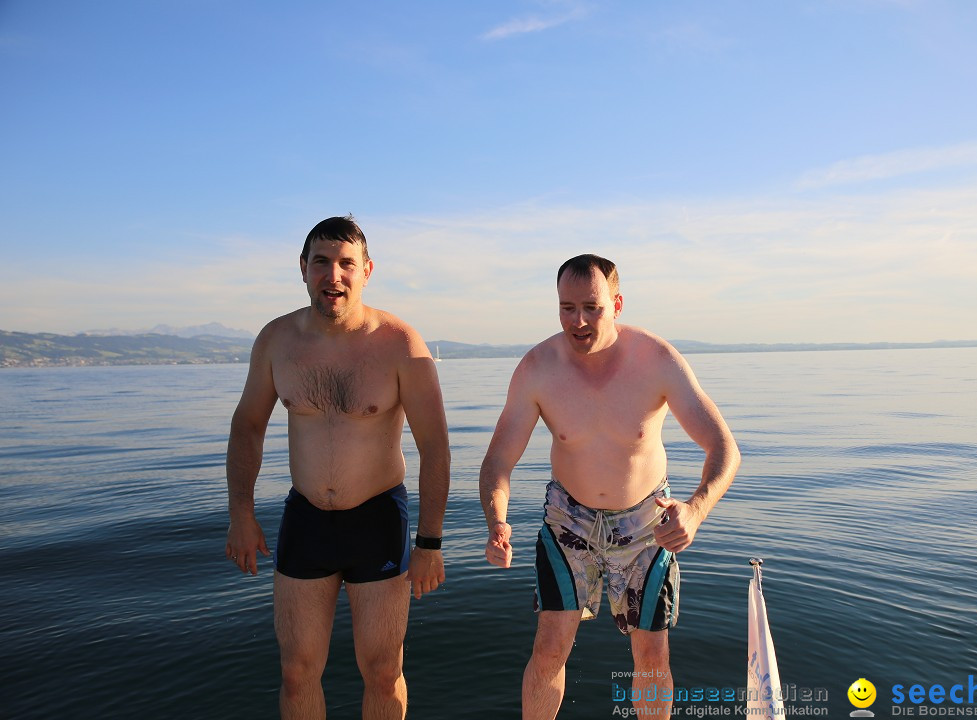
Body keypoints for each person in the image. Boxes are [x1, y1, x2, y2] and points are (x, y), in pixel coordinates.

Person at [479, 254, 740, 720]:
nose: (577, 321)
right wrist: (497, 520)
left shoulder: (657, 360)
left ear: (616, 304)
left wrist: (696, 511)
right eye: (566, 308)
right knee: (549, 649)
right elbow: (499, 459)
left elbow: (723, 446)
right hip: (568, 523)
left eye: (591, 307)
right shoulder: (538, 368)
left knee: (652, 655)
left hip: (644, 525)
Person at [225, 215, 449, 720]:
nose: (334, 275)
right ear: (302, 269)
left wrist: (430, 543)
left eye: (346, 264)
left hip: (377, 518)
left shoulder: (400, 344)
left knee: (383, 669)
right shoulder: (276, 341)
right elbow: (248, 428)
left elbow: (435, 447)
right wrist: (241, 513)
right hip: (306, 517)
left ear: (366, 270)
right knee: (297, 669)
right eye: (321, 262)